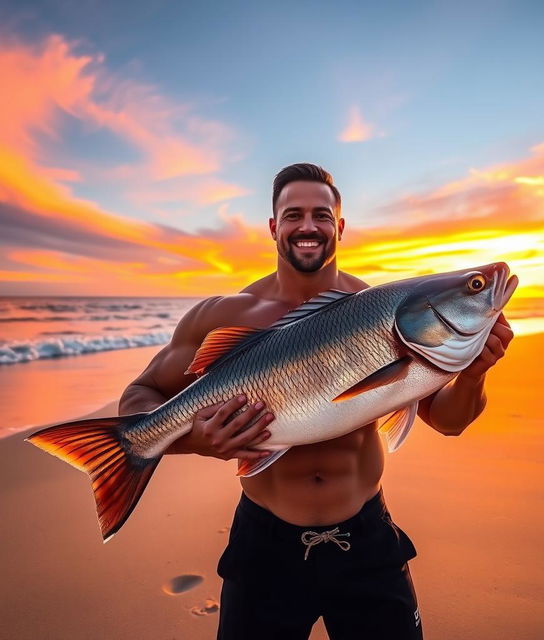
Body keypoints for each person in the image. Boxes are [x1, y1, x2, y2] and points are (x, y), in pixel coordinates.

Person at [119, 163, 514, 639]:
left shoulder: (380, 308)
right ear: (273, 226)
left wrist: (473, 375)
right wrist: (199, 440)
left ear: (339, 227)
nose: (308, 227)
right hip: (264, 547)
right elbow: (141, 396)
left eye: (321, 215)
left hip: (367, 540)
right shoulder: (224, 315)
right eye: (293, 215)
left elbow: (448, 423)